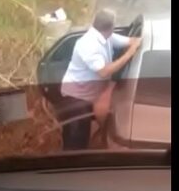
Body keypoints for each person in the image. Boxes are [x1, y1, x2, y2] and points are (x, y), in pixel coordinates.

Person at [60, 9, 142, 149]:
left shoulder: (107, 36)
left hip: (90, 94)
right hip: (75, 97)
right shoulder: (88, 44)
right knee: (76, 137)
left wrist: (137, 42)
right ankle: (70, 162)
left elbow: (130, 41)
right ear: (111, 27)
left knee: (83, 132)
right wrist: (129, 54)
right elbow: (103, 72)